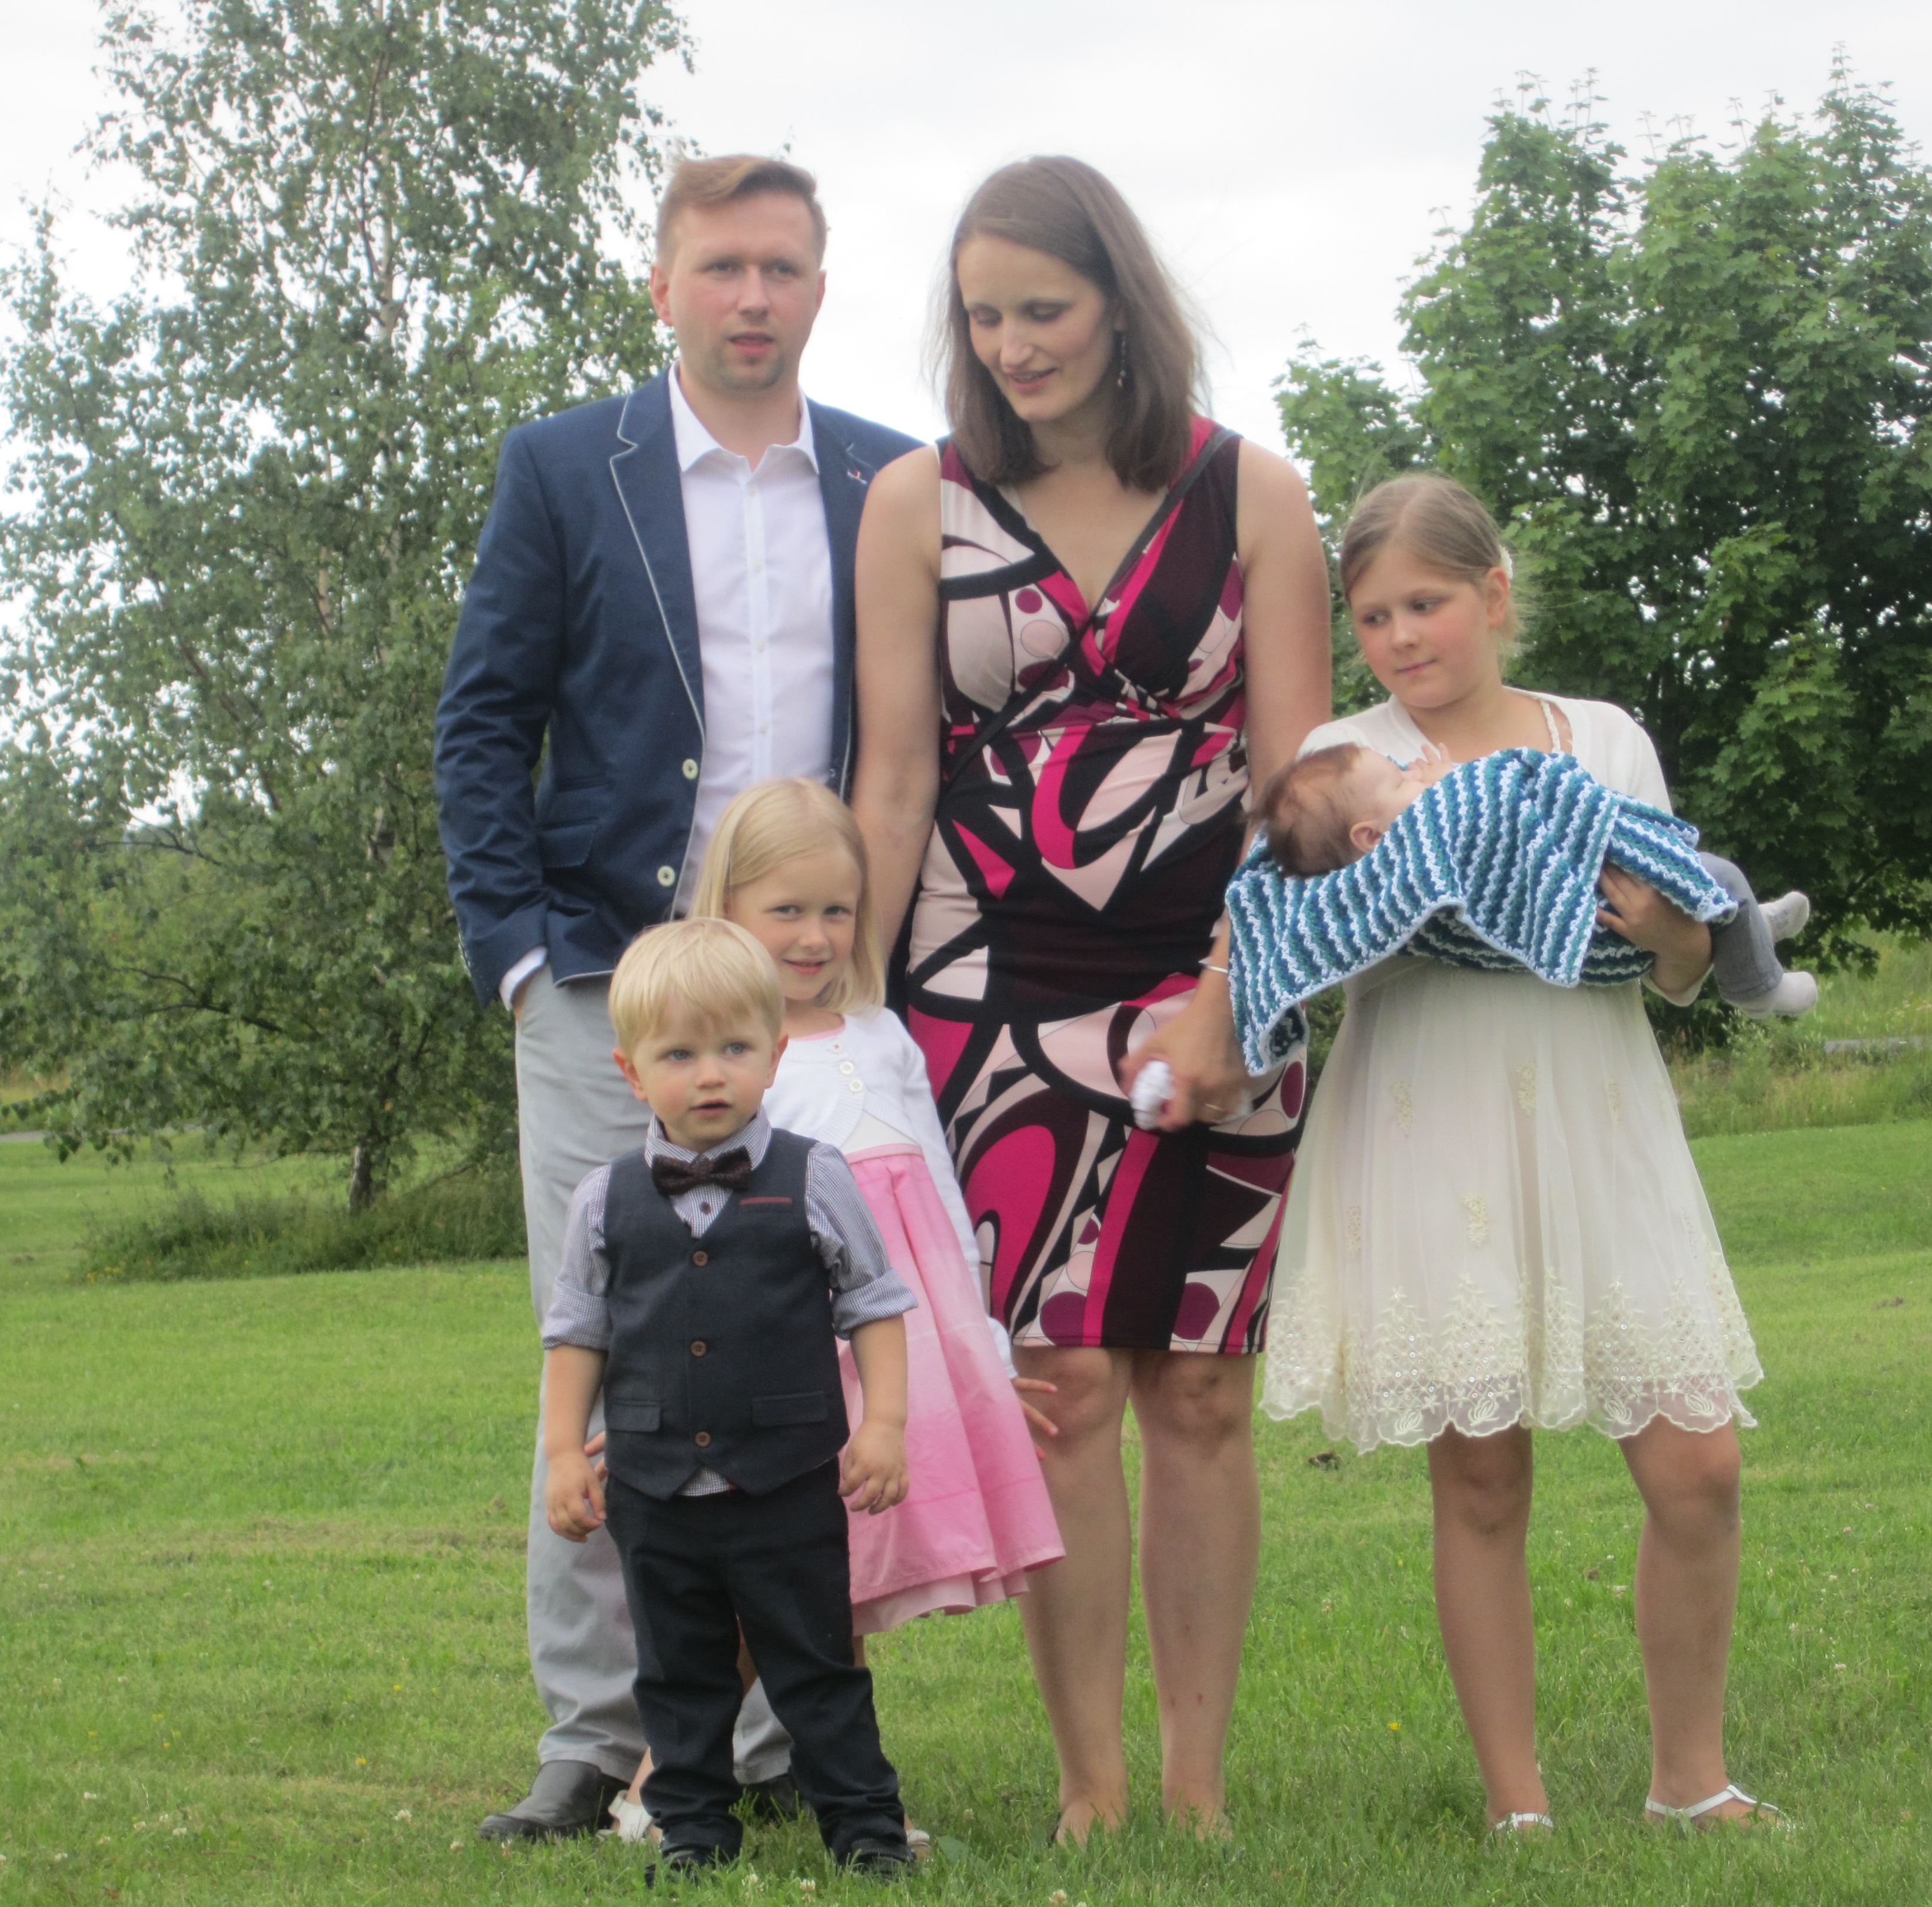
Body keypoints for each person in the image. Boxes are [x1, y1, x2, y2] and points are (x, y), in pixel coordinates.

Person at [433, 153, 920, 1842]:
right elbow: (483, 720)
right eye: (720, 266)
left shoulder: (889, 479)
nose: (751, 297)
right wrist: (516, 956)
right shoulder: (568, 466)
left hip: (811, 996)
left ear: (820, 286)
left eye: (781, 267)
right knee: (603, 1347)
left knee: (791, 1357)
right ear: (664, 285)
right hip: (606, 983)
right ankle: (592, 1737)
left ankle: (764, 1748)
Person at [848, 156, 1334, 1839]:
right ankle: (1093, 1788)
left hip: (1221, 971)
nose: (1012, 346)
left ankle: (1196, 1786)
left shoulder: (1255, 493)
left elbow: (1297, 791)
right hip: (985, 988)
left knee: (1199, 1387)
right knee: (1063, 1394)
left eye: (1041, 309)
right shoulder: (914, 503)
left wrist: (1236, 997)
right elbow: (892, 782)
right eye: (983, 317)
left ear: (1121, 303)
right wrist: (852, 1023)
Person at [1261, 473, 1784, 1832]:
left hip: (1598, 1116)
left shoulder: (1598, 736)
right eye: (1373, 615)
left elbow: (1678, 966)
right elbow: (1320, 938)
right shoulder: (1346, 756)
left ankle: (1691, 1777)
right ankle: (1519, 1803)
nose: (1400, 637)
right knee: (1482, 1473)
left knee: (1699, 1464)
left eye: (1426, 603)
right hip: (1431, 1121)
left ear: (1494, 593)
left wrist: (1668, 930)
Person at [539, 917, 917, 1879]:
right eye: (680, 1055)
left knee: (818, 1665)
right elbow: (576, 1335)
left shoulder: (814, 1176)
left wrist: (884, 1423)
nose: (710, 1075)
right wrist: (562, 1453)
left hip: (787, 1483)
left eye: (736, 1050)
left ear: (775, 1055)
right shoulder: (603, 1201)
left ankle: (867, 1832)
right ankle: (693, 1834)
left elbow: (874, 1306)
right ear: (631, 1073)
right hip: (655, 1491)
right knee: (678, 1674)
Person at [698, 778, 1064, 1634]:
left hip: (902, 1350)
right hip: (792, 1344)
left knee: (846, 1573)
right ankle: (683, 1729)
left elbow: (938, 1194)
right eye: (787, 910)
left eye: (837, 911)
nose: (815, 937)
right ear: (728, 907)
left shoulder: (883, 1035)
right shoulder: (724, 1058)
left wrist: (987, 1350)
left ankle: (834, 1726)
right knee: (781, 1571)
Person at [1255, 740, 1818, 1016]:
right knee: (1720, 878)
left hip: (1613, 905)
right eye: (1402, 780)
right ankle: (1758, 988)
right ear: (1370, 837)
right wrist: (1458, 778)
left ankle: (1749, 931)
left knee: (1714, 886)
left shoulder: (1396, 862)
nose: (1416, 775)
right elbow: (1490, 814)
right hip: (1592, 918)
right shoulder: (1414, 864)